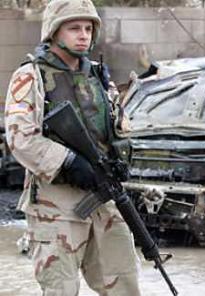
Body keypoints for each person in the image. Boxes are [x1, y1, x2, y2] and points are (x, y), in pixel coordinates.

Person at [5, 0, 141, 295]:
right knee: (62, 290)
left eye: (88, 28)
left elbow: (118, 125)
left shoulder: (99, 76)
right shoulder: (31, 76)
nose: (83, 35)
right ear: (54, 32)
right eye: (74, 28)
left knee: (124, 285)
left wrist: (120, 155)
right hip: (55, 207)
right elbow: (20, 138)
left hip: (104, 199)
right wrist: (68, 161)